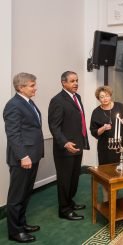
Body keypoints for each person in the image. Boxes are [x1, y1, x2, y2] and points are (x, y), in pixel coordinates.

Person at [3, 73, 44, 243]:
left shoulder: (28, 102)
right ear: (21, 87)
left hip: (32, 156)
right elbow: (12, 134)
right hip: (23, 158)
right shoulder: (13, 105)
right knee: (16, 196)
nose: (35, 88)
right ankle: (15, 232)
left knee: (26, 193)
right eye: (32, 85)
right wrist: (23, 156)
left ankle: (21, 223)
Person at [48, 71, 90, 221]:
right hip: (65, 148)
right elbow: (54, 126)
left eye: (77, 80)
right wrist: (65, 142)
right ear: (63, 83)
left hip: (77, 145)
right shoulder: (57, 100)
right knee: (65, 180)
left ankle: (70, 202)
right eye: (72, 81)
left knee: (74, 178)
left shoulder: (76, 97)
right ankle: (64, 210)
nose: (76, 83)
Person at [89, 86, 123, 200]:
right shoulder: (96, 112)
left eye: (106, 95)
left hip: (119, 146)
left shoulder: (119, 106)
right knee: (106, 174)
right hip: (105, 148)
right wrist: (103, 128)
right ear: (98, 99)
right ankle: (107, 200)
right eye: (101, 97)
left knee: (119, 172)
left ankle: (116, 196)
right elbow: (93, 132)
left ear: (110, 96)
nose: (105, 98)